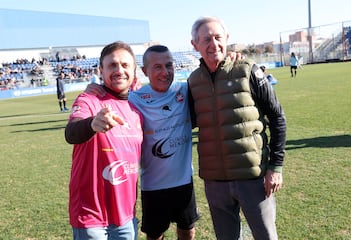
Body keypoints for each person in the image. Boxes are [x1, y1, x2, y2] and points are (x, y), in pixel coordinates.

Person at [85, 45, 199, 240]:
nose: (165, 72)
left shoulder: (185, 90)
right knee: (155, 234)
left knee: (187, 228)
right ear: (145, 71)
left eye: (169, 65)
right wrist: (94, 90)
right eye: (157, 67)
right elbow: (112, 95)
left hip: (184, 181)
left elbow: (212, 81)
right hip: (153, 185)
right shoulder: (133, 99)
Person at [188, 16, 287, 240]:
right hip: (215, 184)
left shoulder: (248, 70)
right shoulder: (193, 82)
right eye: (206, 39)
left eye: (217, 37)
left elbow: (277, 117)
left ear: (227, 39)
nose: (213, 44)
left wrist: (276, 167)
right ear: (195, 44)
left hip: (253, 178)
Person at [64, 41, 144, 240]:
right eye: (112, 65)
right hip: (92, 217)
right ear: (101, 70)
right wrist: (92, 123)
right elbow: (71, 133)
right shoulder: (89, 100)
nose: (119, 70)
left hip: (126, 217)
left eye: (125, 65)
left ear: (134, 70)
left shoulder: (138, 105)